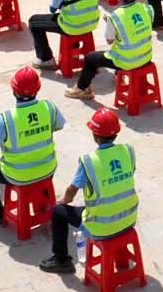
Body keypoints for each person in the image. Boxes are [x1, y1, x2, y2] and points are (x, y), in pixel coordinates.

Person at [39, 108, 137, 274]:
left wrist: (64, 201)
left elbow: (72, 189)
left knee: (58, 212)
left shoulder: (89, 162)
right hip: (129, 219)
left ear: (95, 136)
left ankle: (61, 261)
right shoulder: (128, 151)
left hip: (102, 225)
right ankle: (122, 261)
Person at [0, 67, 64, 225]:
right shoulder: (49, 107)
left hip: (17, 175)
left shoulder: (6, 119)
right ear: (38, 89)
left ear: (14, 91)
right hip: (48, 169)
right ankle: (42, 204)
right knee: (40, 170)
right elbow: (59, 125)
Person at [66, 0, 155, 100]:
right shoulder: (147, 9)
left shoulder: (115, 16)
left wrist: (109, 23)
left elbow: (109, 40)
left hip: (127, 61)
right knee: (123, 48)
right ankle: (119, 76)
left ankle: (82, 89)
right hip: (146, 56)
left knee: (91, 58)